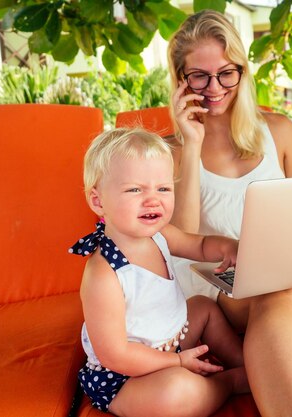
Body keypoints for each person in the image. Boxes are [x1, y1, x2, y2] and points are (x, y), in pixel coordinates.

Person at [167, 10, 292, 417]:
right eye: (199, 76)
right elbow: (184, 241)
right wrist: (191, 144)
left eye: (227, 73)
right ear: (180, 80)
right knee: (276, 288)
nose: (215, 88)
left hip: (283, 267)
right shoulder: (169, 151)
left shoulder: (278, 131)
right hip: (217, 283)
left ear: (242, 71)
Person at [69, 127, 249, 417]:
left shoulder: (161, 234)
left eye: (163, 188)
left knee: (204, 308)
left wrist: (228, 247)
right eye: (135, 189)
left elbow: (200, 245)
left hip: (172, 341)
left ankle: (248, 364)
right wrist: (177, 364)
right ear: (98, 201)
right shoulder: (104, 274)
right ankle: (227, 383)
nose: (153, 200)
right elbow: (115, 355)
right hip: (126, 376)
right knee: (176, 393)